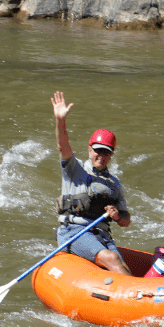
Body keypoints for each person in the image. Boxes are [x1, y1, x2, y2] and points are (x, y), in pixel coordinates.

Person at [52, 90, 131, 275]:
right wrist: (60, 120)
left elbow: (126, 221)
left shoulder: (114, 184)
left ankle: (135, 298)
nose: (101, 156)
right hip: (73, 231)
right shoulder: (74, 168)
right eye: (98, 150)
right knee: (111, 259)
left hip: (101, 234)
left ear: (111, 155)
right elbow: (62, 145)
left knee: (124, 267)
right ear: (89, 150)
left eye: (106, 152)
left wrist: (118, 216)